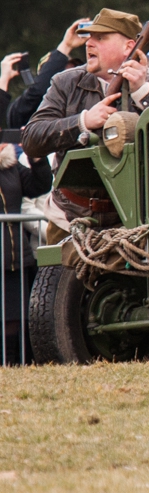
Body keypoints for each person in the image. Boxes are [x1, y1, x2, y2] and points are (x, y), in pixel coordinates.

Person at [23, 10, 149, 243]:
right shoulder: (65, 82)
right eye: (89, 37)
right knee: (52, 281)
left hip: (137, 220)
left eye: (101, 37)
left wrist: (142, 94)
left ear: (129, 46)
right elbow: (32, 140)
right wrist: (83, 122)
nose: (89, 43)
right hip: (70, 219)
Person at [0, 140, 51, 362]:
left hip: (14, 258)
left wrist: (37, 158)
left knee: (15, 321)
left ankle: (11, 368)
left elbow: (39, 186)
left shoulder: (9, 164)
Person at [6, 20, 87, 130]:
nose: (69, 77)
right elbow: (39, 91)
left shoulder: (87, 100)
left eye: (73, 70)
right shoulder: (21, 110)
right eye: (62, 72)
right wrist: (65, 46)